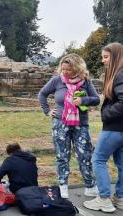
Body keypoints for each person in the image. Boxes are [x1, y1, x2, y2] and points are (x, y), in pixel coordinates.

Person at [39, 53, 100, 198]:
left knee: (85, 155)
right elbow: (42, 94)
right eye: (63, 69)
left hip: (81, 124)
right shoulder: (56, 80)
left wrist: (83, 100)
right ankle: (63, 186)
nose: (65, 72)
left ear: (78, 69)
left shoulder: (86, 82)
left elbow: (96, 99)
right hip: (60, 123)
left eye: (69, 70)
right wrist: (47, 111)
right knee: (62, 156)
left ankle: (90, 186)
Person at [84, 42, 123, 213]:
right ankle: (120, 198)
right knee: (122, 163)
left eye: (106, 57)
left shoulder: (120, 75)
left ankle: (104, 198)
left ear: (116, 57)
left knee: (98, 159)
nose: (103, 61)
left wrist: (105, 114)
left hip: (115, 127)